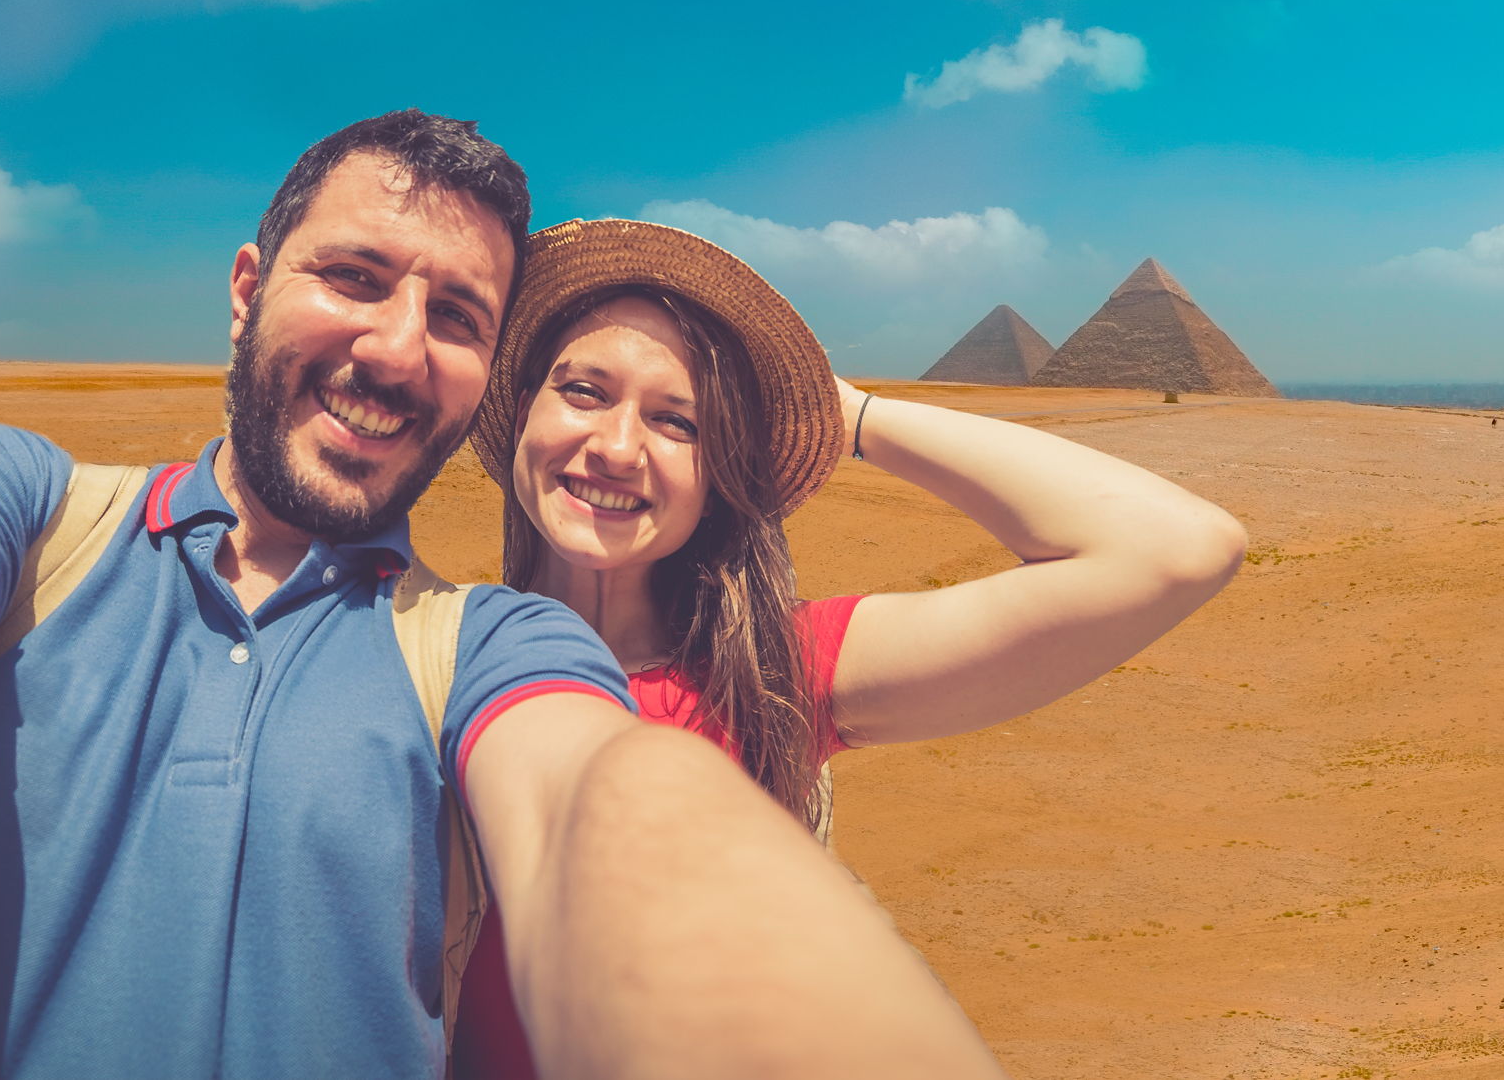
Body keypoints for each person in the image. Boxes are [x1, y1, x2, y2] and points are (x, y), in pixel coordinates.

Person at [0, 114, 1004, 1079]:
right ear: (246, 286)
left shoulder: (490, 641)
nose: (393, 347)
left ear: (482, 370)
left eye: (456, 316)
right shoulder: (17, 510)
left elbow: (606, 798)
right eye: (353, 275)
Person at [455, 219, 1249, 1078]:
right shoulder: (418, 651)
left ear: (722, 471)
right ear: (522, 411)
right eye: (581, 390)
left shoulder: (776, 673)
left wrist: (852, 414)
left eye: (678, 421)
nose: (616, 447)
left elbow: (1179, 548)